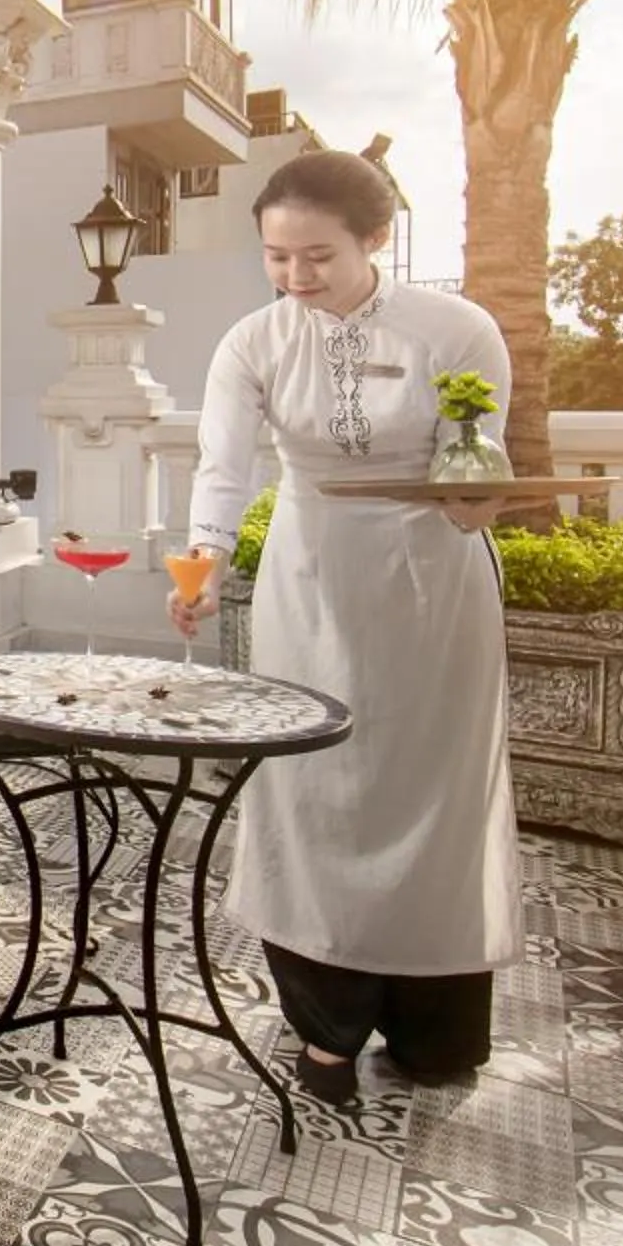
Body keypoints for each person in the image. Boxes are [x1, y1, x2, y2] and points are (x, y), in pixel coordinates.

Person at [169, 149, 516, 1104]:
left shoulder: (459, 329)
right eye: (276, 258)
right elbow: (223, 469)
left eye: (316, 256)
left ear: (376, 238)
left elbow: (480, 455)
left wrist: (478, 499)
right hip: (310, 580)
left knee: (433, 799)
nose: (295, 278)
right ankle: (325, 1037)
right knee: (312, 794)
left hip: (433, 585)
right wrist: (204, 564)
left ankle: (436, 1035)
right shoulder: (253, 342)